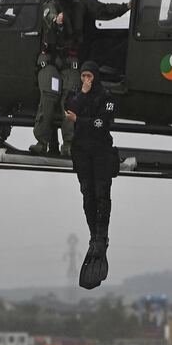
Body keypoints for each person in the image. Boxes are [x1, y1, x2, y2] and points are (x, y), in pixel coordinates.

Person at [30, 0, 130, 156]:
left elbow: (103, 10)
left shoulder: (81, 4)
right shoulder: (51, 5)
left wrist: (126, 7)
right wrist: (56, 20)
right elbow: (48, 16)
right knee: (50, 94)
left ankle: (69, 143)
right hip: (50, 61)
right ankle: (41, 141)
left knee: (72, 99)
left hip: (70, 63)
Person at [64, 60, 118, 289]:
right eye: (83, 76)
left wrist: (80, 120)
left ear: (95, 77)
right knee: (87, 195)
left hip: (101, 152)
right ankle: (94, 237)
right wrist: (83, 96)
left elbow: (101, 123)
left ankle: (102, 237)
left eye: (89, 76)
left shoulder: (107, 97)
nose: (86, 80)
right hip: (82, 152)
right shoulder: (77, 94)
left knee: (101, 195)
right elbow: (69, 109)